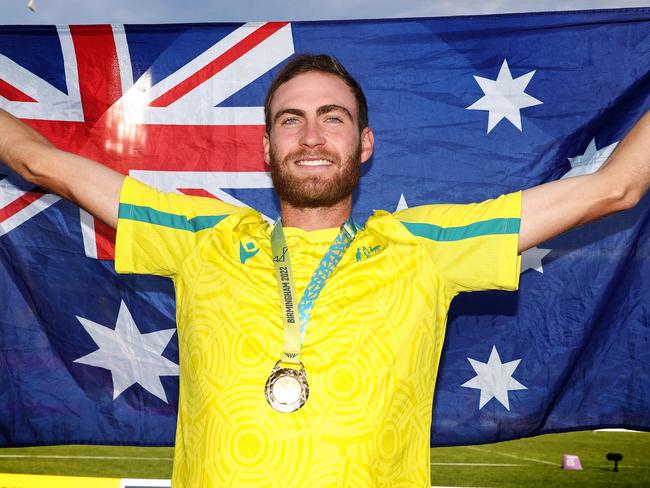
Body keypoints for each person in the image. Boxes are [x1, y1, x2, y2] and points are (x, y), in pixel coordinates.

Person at [1, 53, 648, 487]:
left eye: (332, 118)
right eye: (292, 120)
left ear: (363, 144)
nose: (311, 137)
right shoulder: (201, 235)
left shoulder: (426, 244)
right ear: (266, 148)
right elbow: (38, 161)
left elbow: (613, 189)